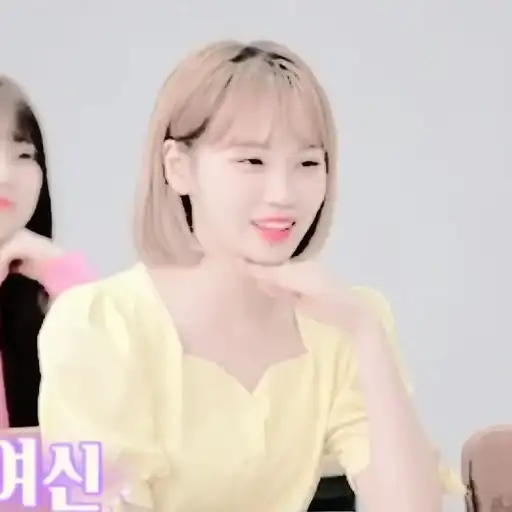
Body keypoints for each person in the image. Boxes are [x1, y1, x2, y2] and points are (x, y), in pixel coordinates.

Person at [38, 40, 465, 512]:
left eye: (308, 163)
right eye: (252, 162)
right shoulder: (100, 325)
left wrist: (366, 334)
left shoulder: (341, 323)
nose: (283, 193)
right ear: (178, 168)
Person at [0, 76, 94, 428]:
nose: (5, 174)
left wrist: (68, 279)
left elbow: (116, 429)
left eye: (24, 155)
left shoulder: (50, 292)